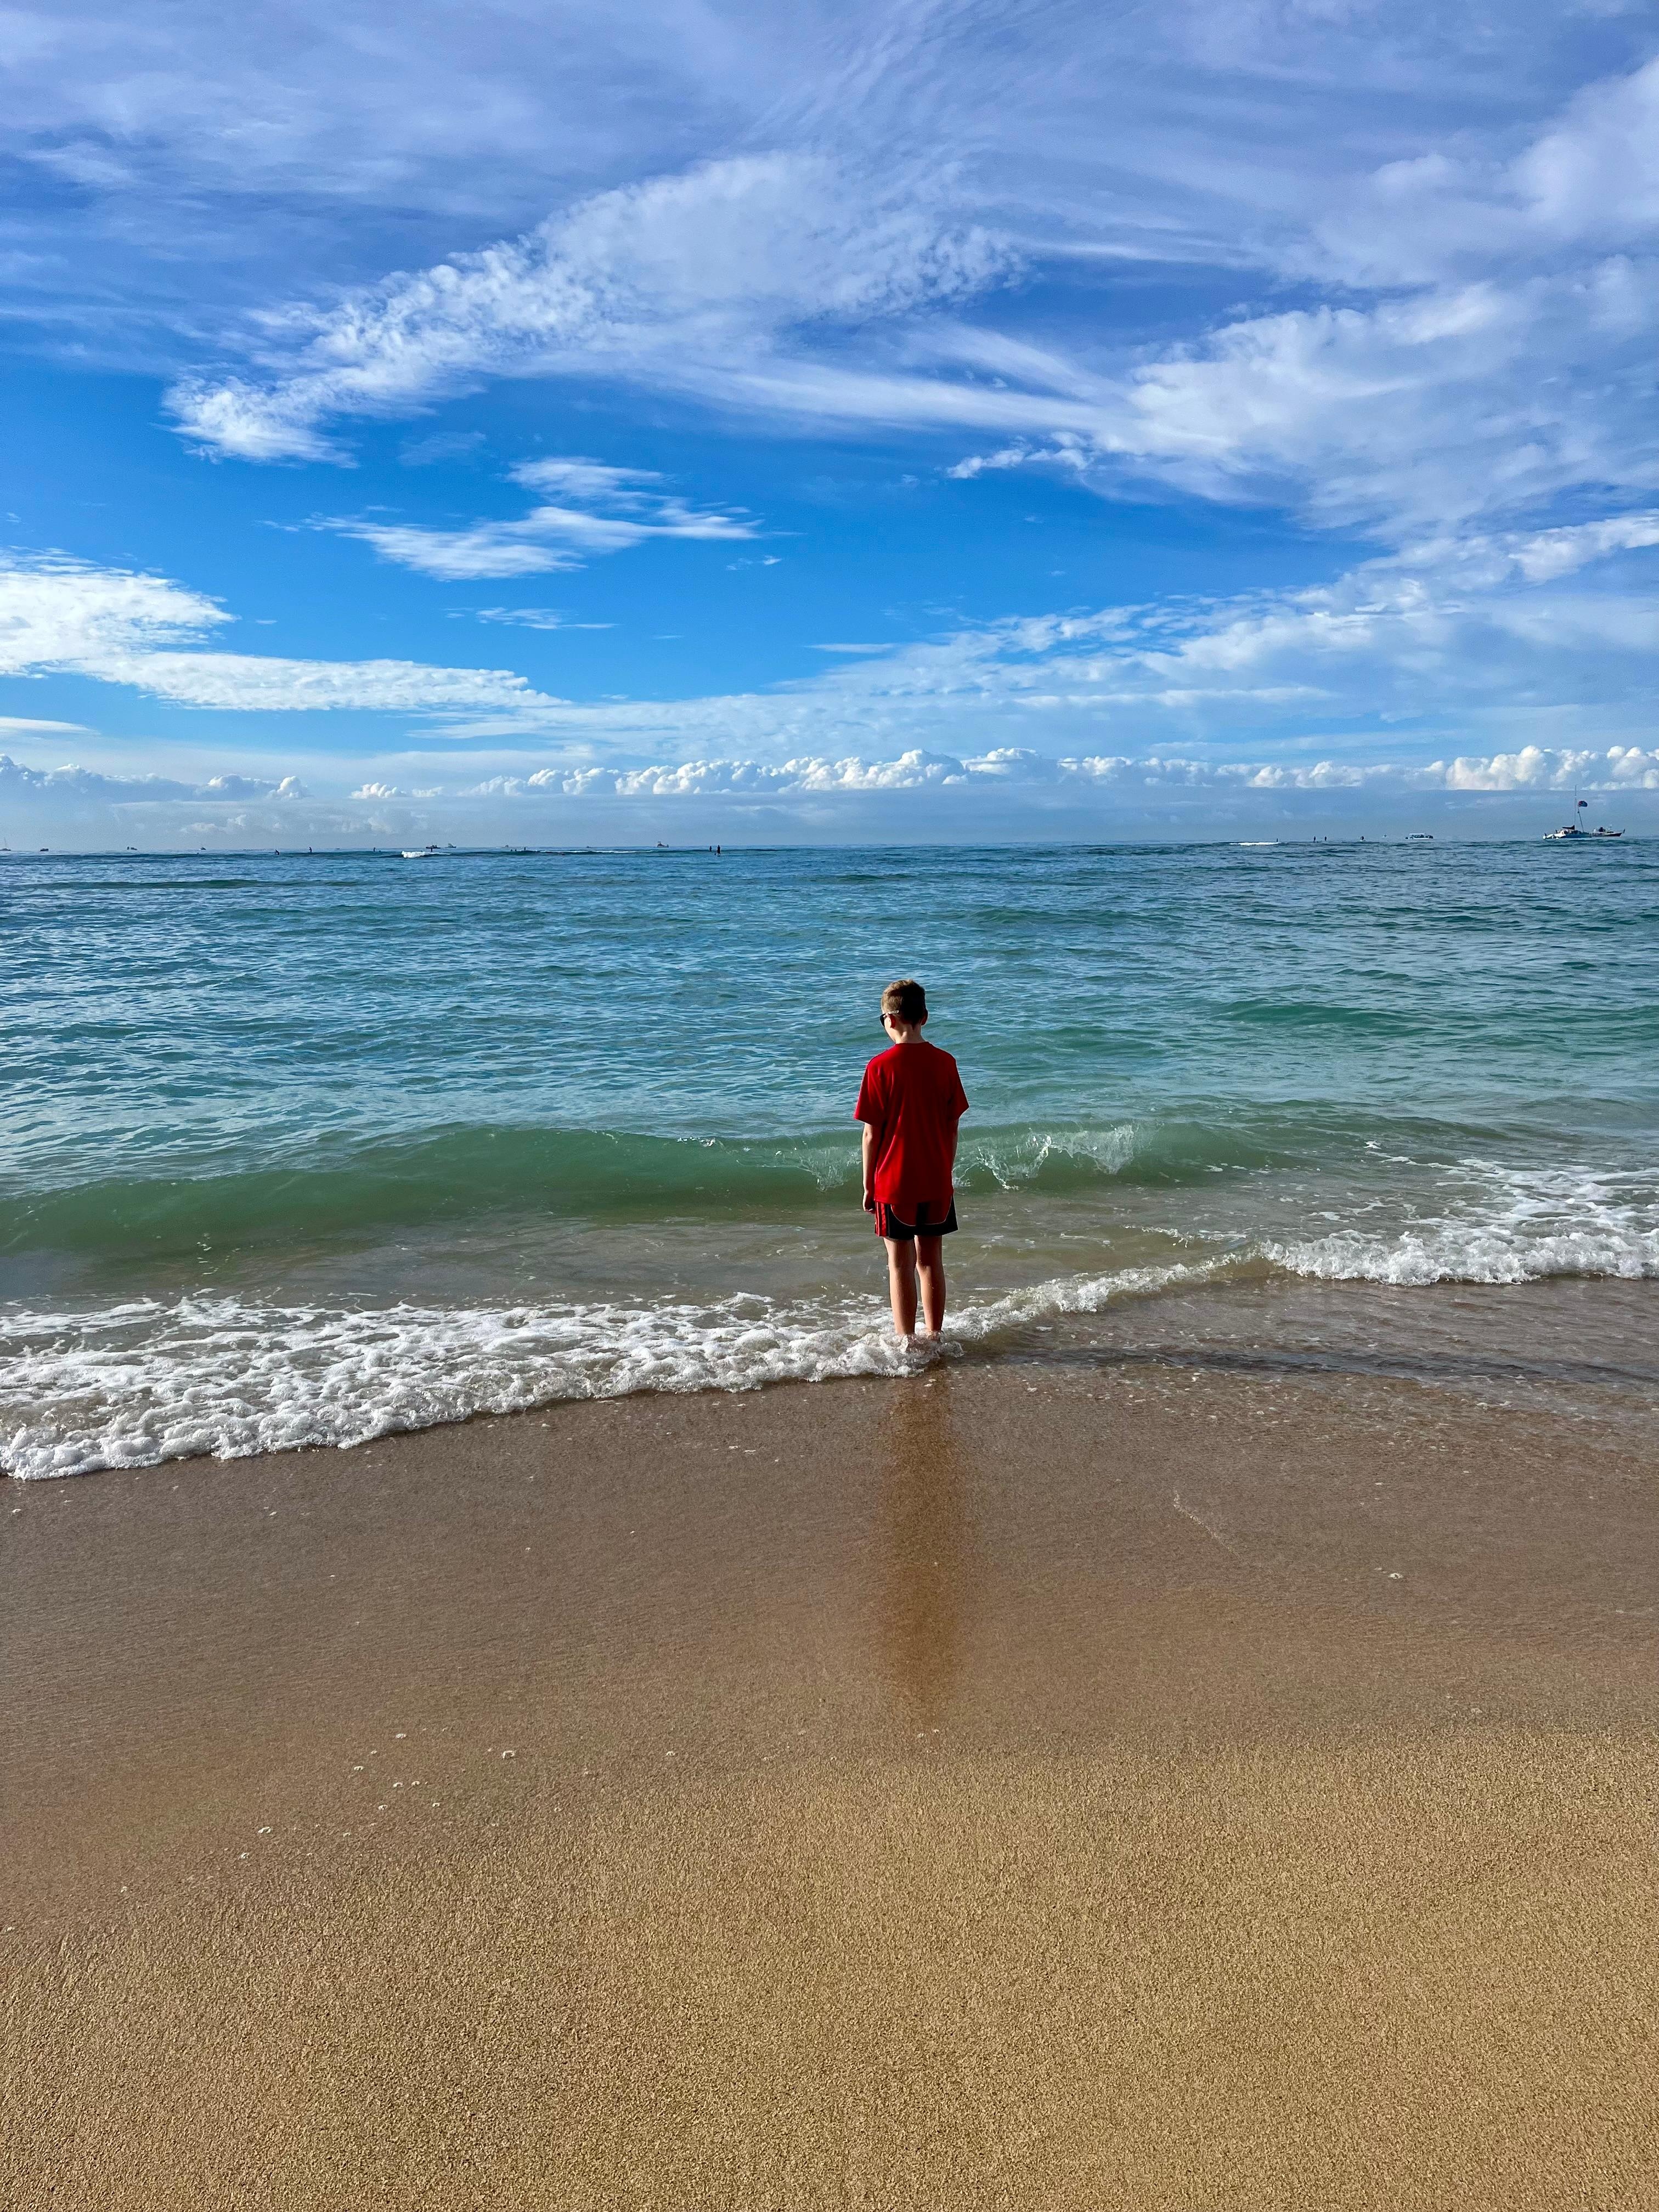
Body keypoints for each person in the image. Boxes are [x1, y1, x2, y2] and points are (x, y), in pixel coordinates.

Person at [855, 978, 969, 1341]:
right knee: (931, 1261)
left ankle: (906, 1342)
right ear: (925, 1017)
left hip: (894, 1181)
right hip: (936, 1179)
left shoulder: (880, 1067)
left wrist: (868, 1183)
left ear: (890, 1020)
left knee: (899, 1264)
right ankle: (935, 1337)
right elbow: (952, 1128)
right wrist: (944, 1171)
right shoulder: (946, 1063)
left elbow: (872, 1133)